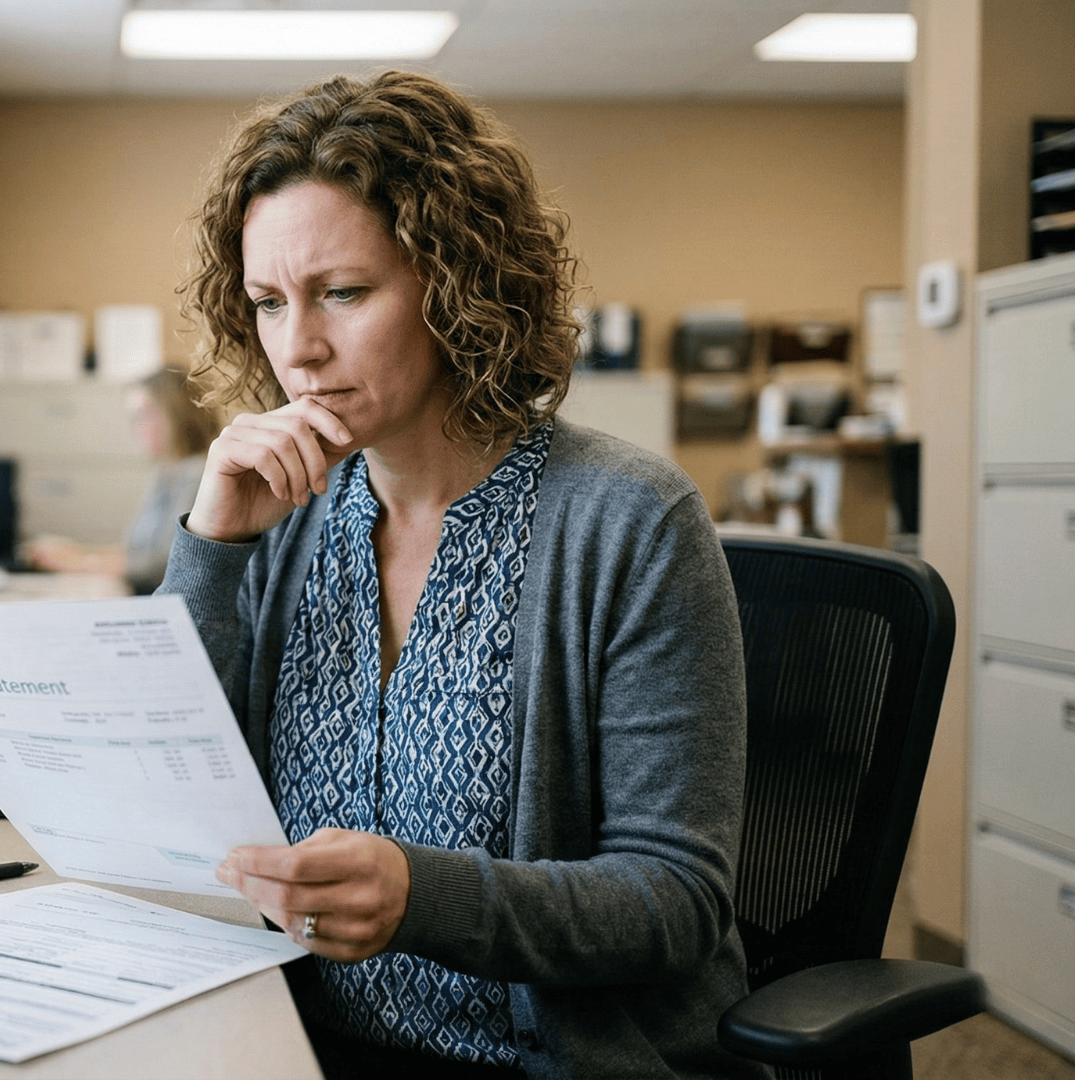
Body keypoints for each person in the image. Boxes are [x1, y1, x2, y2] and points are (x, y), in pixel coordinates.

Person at [160, 71, 762, 1079]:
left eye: (343, 293)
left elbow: (676, 898)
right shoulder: (285, 517)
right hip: (294, 1044)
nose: (298, 349)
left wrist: (423, 897)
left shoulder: (629, 521)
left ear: (457, 284)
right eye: (269, 303)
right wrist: (214, 546)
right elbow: (163, 805)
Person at [28, 366, 219, 594]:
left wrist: (81, 563)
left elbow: (162, 564)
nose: (136, 428)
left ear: (176, 413)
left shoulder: (197, 475)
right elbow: (137, 551)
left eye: (144, 415)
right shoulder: (166, 472)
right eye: (134, 418)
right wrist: (79, 553)